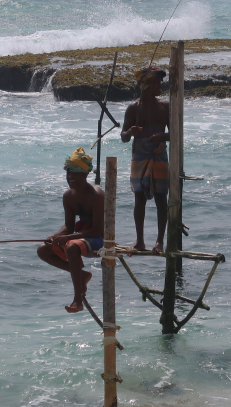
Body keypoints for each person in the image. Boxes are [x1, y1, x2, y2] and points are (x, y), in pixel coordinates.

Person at [36, 147, 105, 313]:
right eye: (68, 173)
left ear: (85, 174)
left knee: (72, 247)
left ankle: (77, 299)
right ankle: (81, 275)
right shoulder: (68, 196)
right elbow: (69, 226)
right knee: (43, 249)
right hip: (81, 236)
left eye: (75, 173)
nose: (71, 177)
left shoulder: (96, 195)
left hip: (99, 237)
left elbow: (98, 229)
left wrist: (69, 238)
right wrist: (57, 236)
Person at [121, 67, 170, 253]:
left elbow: (175, 134)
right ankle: (140, 241)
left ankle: (159, 242)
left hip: (159, 154)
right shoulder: (134, 108)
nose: (161, 85)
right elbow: (123, 137)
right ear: (147, 85)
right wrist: (130, 132)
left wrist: (162, 137)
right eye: (157, 82)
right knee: (139, 197)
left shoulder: (165, 107)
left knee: (161, 198)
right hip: (140, 155)